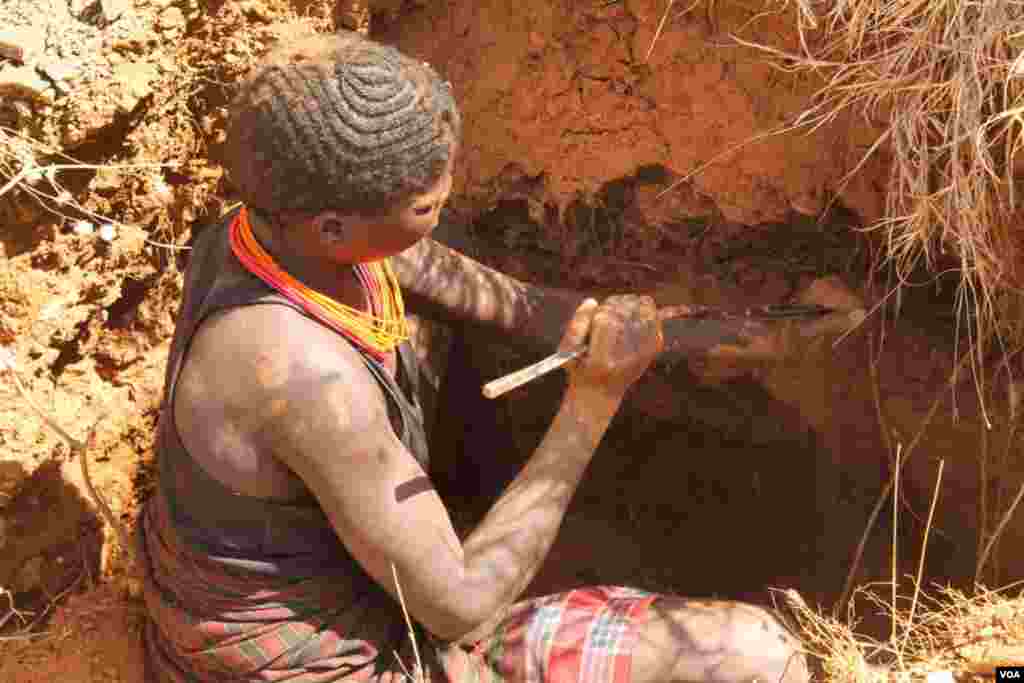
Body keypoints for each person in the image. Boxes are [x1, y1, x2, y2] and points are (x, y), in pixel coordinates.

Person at [138, 31, 811, 683]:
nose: (447, 200)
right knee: (757, 657)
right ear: (335, 225)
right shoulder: (301, 375)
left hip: (359, 588)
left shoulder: (272, 236)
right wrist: (593, 400)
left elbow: (505, 302)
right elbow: (462, 604)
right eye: (427, 202)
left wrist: (728, 334)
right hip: (355, 661)